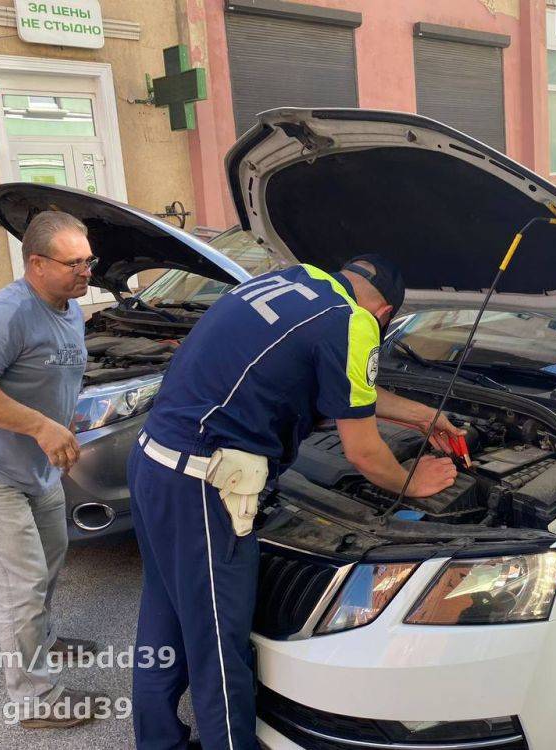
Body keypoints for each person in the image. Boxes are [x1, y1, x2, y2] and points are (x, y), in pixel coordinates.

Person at [128, 255, 462, 749]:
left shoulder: (292, 282)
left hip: (154, 462)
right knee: (219, 649)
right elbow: (365, 453)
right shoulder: (355, 323)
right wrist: (415, 483)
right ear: (385, 312)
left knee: (164, 618)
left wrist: (423, 416)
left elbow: (352, 392)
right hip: (203, 484)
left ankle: (158, 742)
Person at [0, 211, 105, 729]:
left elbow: (56, 375)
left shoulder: (70, 310)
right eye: (74, 263)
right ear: (36, 264)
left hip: (38, 470)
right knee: (21, 586)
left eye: (88, 260)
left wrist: (65, 419)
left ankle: (46, 643)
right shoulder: (6, 313)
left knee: (49, 563)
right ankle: (33, 699)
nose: (87, 272)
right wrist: (41, 427)